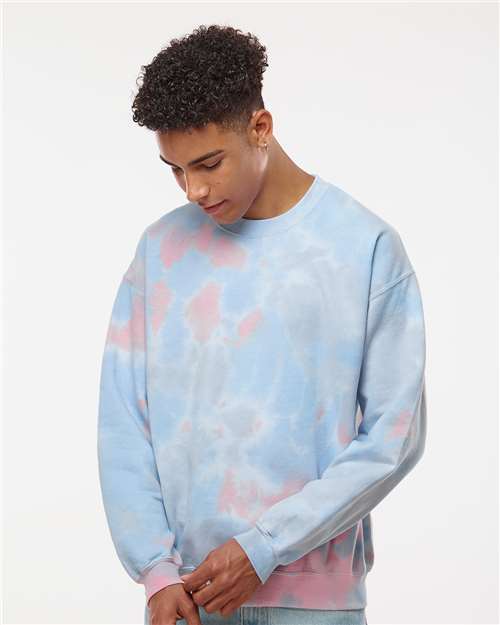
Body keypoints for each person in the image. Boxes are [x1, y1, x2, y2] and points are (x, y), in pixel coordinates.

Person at [97, 24, 426, 625]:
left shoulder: (363, 247)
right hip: (186, 597)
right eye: (175, 169)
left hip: (314, 604)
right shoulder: (160, 252)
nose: (194, 189)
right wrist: (155, 570)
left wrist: (267, 545)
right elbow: (124, 421)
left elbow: (394, 437)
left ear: (261, 128)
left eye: (209, 164)